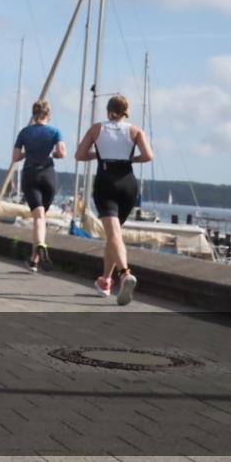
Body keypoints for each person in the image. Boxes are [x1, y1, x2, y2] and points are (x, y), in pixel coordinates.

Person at [74, 94, 154, 305]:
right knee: (113, 235)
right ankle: (105, 281)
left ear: (108, 110)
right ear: (126, 111)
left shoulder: (96, 128)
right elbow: (148, 156)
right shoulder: (135, 130)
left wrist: (97, 154)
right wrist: (132, 158)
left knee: (114, 235)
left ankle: (125, 273)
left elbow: (79, 155)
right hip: (128, 183)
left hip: (106, 182)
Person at [13, 99, 66, 272]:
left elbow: (15, 157)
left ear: (34, 114)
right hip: (48, 176)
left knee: (38, 217)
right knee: (41, 217)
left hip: (30, 174)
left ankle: (39, 249)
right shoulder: (55, 131)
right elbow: (62, 153)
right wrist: (52, 154)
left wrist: (27, 152)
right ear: (48, 115)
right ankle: (34, 259)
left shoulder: (24, 132)